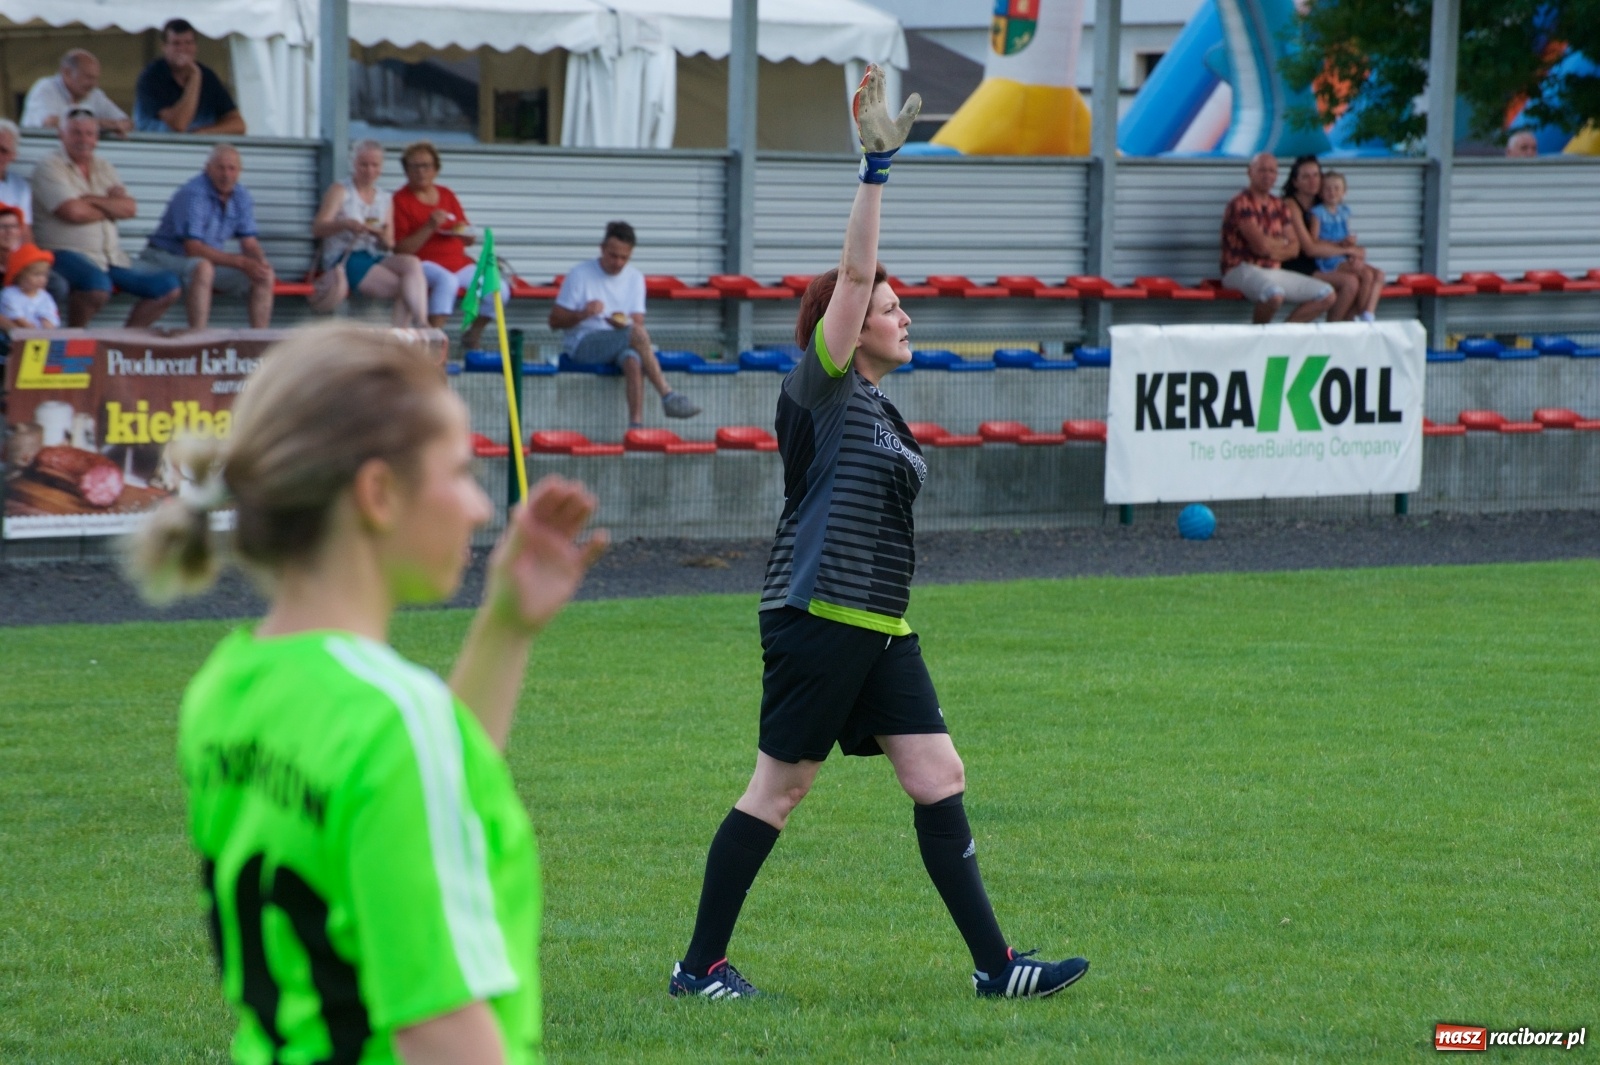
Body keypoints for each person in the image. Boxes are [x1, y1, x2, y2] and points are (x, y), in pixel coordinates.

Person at [668, 66, 1089, 1003]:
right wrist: (877, 168)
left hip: (880, 621)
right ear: (846, 328)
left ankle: (995, 966)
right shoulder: (819, 386)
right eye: (893, 309)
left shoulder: (884, 412)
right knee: (779, 790)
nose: (905, 315)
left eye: (898, 306)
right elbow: (856, 274)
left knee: (938, 771)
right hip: (817, 614)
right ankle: (698, 968)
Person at [128, 322, 608, 1065]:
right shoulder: (394, 719)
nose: (481, 509)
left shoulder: (224, 687)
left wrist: (505, 629)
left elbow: (421, 793)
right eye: (458, 473)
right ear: (379, 493)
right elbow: (439, 1030)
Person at [31, 110, 182, 328]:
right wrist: (111, 206)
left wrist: (91, 199)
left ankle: (125, 343)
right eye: (76, 133)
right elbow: (73, 212)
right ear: (61, 135)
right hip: (62, 252)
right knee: (97, 287)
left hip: (110, 257)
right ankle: (76, 340)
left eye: (90, 134)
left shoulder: (103, 166)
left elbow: (129, 208)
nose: (84, 140)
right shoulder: (49, 166)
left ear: (97, 138)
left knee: (169, 286)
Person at [550, 222, 701, 427]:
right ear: (602, 249)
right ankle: (667, 394)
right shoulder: (580, 274)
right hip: (583, 343)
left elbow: (637, 320)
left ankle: (635, 425)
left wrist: (621, 323)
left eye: (624, 257)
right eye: (613, 256)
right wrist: (583, 313)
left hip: (620, 338)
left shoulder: (635, 277)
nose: (618, 263)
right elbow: (554, 321)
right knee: (635, 335)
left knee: (632, 359)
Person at [140, 144, 275, 329]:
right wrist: (243, 263)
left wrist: (260, 262)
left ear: (240, 171)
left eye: (232, 168)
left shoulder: (241, 195)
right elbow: (193, 248)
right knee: (203, 267)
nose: (226, 174)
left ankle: (261, 343)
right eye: (220, 167)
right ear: (207, 168)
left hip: (202, 262)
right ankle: (199, 337)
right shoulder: (194, 193)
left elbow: (249, 242)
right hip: (164, 257)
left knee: (264, 275)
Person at [391, 141, 508, 352]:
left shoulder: (446, 194)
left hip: (458, 261)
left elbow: (468, 236)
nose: (420, 171)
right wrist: (429, 226)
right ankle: (433, 342)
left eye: (426, 166)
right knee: (448, 282)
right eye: (414, 166)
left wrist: (463, 233)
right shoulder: (400, 200)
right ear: (406, 170)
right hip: (423, 263)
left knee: (499, 290)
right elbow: (400, 249)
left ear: (436, 169)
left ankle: (473, 334)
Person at [311, 139, 430, 326]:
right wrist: (345, 224)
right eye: (363, 165)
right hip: (345, 257)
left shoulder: (384, 197)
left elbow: (389, 244)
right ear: (354, 164)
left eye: (375, 165)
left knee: (412, 263)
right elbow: (318, 228)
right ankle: (410, 333)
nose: (369, 170)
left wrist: (381, 236)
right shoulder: (341, 190)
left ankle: (420, 322)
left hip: (373, 254)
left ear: (381, 167)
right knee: (406, 289)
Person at [1219, 152, 1336, 324]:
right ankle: (1259, 337)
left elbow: (1294, 248)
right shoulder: (1240, 202)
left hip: (1273, 270)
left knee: (1326, 294)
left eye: (1272, 171)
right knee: (1273, 294)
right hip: (1240, 269)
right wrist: (1280, 244)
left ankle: (1282, 335)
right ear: (1250, 172)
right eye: (1262, 170)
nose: (1268, 175)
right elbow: (1260, 247)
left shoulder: (1279, 205)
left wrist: (1271, 245)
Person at [1280, 155, 1359, 321]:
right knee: (1349, 283)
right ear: (1295, 182)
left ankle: (1348, 330)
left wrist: (1353, 250)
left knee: (1365, 276)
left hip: (1322, 262)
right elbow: (1310, 248)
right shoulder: (1291, 204)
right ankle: (1332, 330)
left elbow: (1339, 236)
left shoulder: (1322, 203)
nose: (1313, 180)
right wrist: (1346, 249)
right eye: (1306, 176)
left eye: (1316, 175)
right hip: (1299, 265)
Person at [134, 19, 246, 135]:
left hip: (199, 150)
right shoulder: (152, 77)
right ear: (164, 47)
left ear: (195, 46)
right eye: (176, 43)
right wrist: (195, 77)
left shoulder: (208, 77)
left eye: (188, 43)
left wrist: (205, 132)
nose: (182, 49)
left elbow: (238, 125)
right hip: (158, 149)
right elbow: (179, 124)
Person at [1311, 170, 1385, 323]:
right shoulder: (1317, 213)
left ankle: (1368, 313)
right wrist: (1341, 245)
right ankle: (1361, 314)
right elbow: (1314, 241)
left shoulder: (1344, 212)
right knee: (1365, 275)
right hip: (1329, 259)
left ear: (1344, 192)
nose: (1332, 192)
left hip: (1344, 256)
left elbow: (1345, 237)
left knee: (1379, 274)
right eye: (1327, 188)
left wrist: (1351, 246)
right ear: (1320, 192)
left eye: (1336, 188)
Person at [21, 49, 133, 135]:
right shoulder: (45, 87)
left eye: (95, 78)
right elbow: (50, 122)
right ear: (67, 73)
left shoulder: (94, 94)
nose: (94, 84)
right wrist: (103, 124)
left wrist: (116, 125)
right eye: (88, 77)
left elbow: (126, 123)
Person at [1, 244, 60, 328]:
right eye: (36, 275)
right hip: (15, 334)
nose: (41, 279)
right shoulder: (9, 294)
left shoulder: (44, 296)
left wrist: (48, 325)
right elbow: (17, 318)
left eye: (44, 275)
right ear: (20, 276)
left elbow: (49, 315)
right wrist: (32, 331)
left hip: (39, 336)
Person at [0, 120, 34, 243]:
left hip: (13, 258)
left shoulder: (20, 187)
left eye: (3, 150)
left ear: (13, 155)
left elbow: (25, 234)